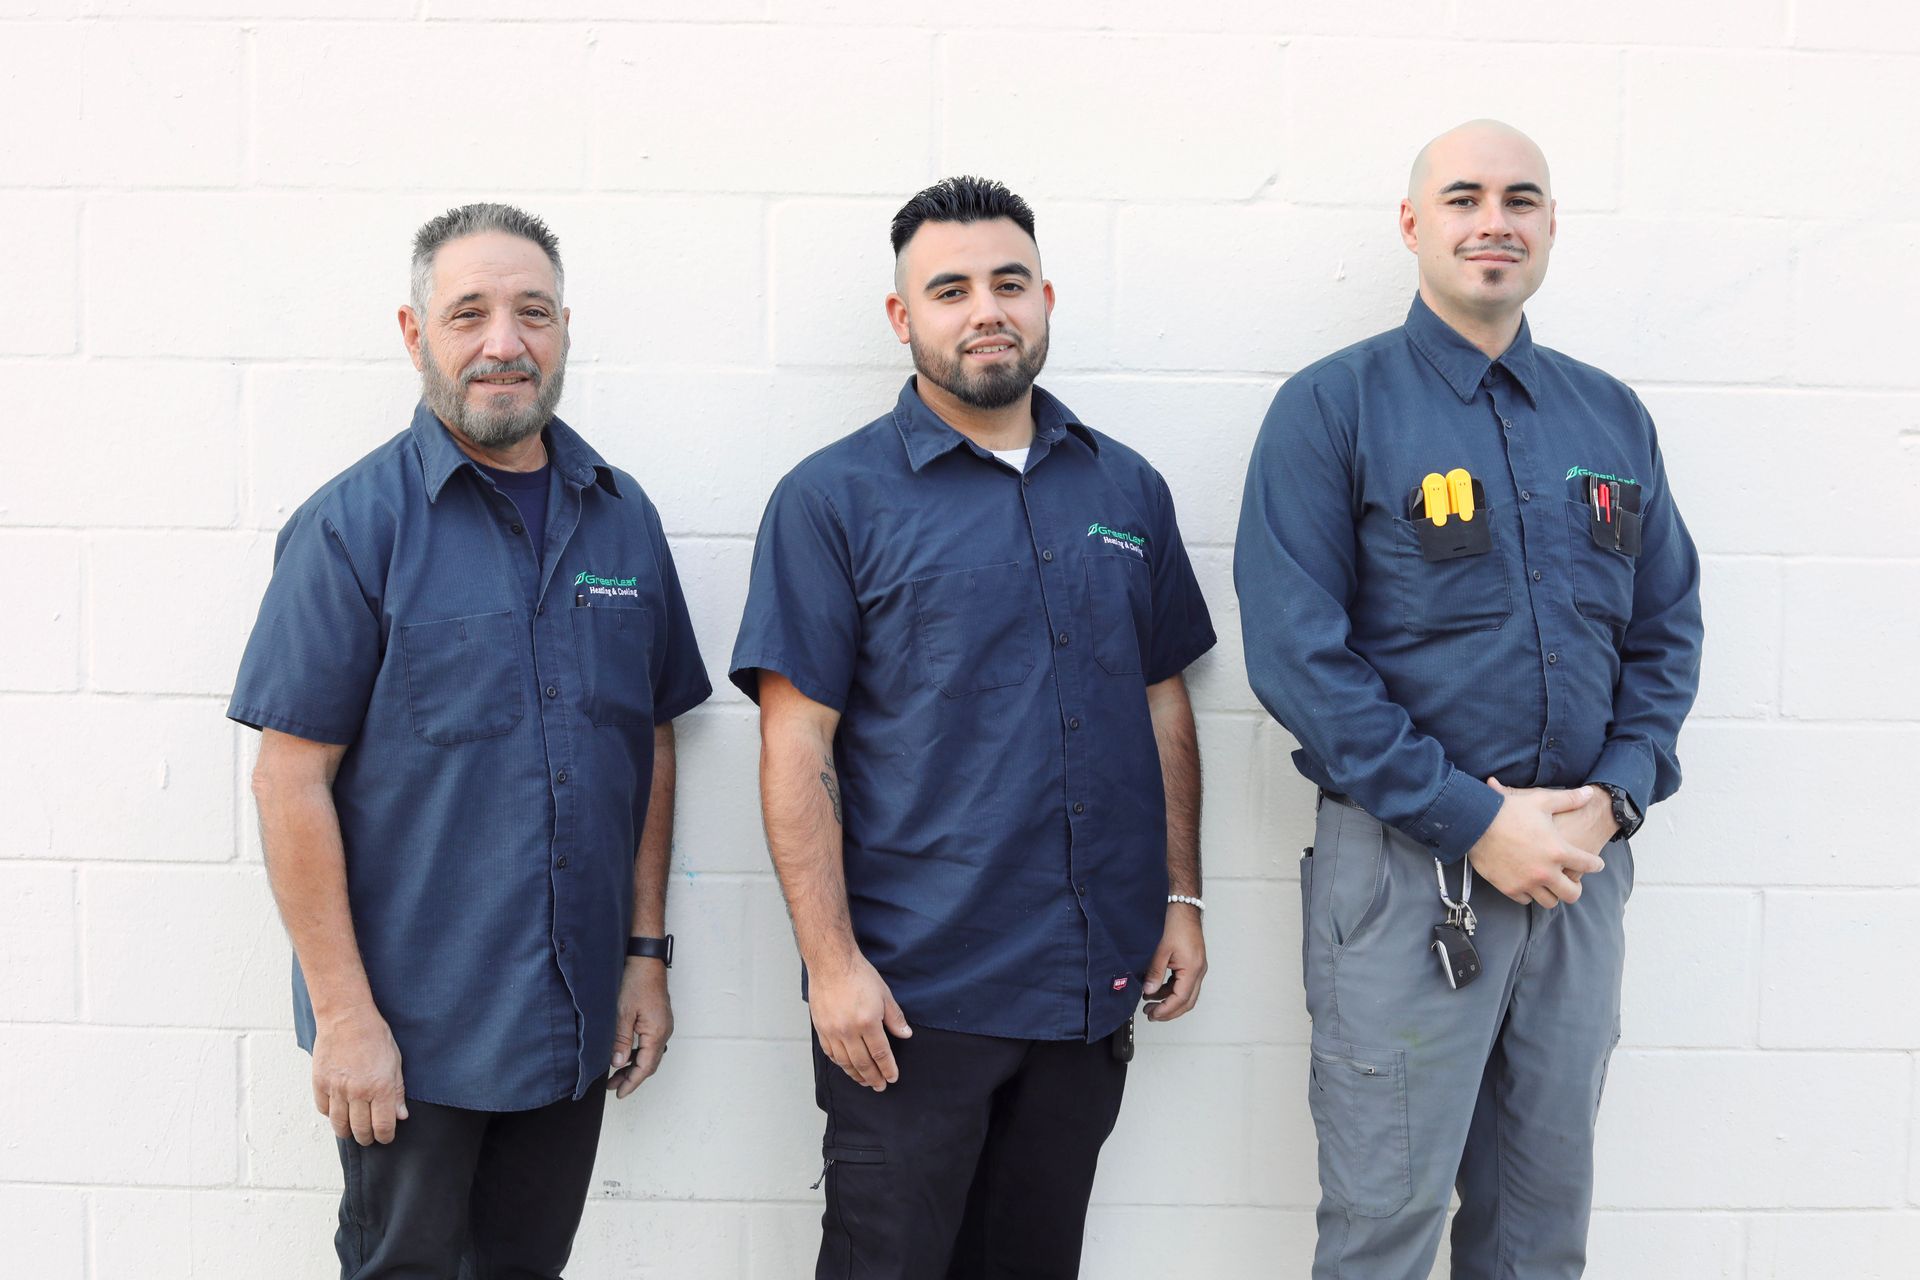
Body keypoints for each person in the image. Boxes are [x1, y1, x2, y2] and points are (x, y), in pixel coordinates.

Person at [1234, 121, 1704, 1278]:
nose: (1493, 219)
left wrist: (1618, 795)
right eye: (1462, 197)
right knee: (1385, 1224)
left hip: (1579, 871)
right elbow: (1299, 656)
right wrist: (1474, 817)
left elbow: (1668, 629)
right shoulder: (1331, 408)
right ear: (1413, 225)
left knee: (1540, 1235)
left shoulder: (1611, 418)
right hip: (1406, 872)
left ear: (1550, 227)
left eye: (1521, 198)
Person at [730, 176, 1217, 1278]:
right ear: (905, 319)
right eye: (948, 289)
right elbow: (793, 745)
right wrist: (832, 964)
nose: (984, 308)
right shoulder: (832, 499)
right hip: (912, 1003)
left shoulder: (1126, 488)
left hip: (1088, 981)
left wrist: (1181, 895)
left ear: (1045, 297)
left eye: (1008, 282)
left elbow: (1161, 702)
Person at [229, 202, 710, 1278]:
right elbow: (289, 782)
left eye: (532, 311)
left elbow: (649, 743)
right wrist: (348, 1016)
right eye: (470, 313)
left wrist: (643, 953)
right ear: (416, 335)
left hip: (574, 1021)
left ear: (565, 329)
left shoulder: (622, 519)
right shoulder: (354, 527)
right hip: (414, 1039)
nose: (505, 341)